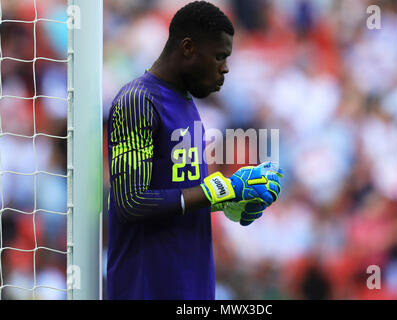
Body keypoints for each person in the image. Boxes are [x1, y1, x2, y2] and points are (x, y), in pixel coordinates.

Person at [106, 1, 282, 300]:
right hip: (147, 288)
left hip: (192, 285)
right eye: (219, 57)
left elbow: (175, 192)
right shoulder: (137, 101)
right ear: (188, 48)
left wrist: (231, 200)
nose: (225, 68)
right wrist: (220, 190)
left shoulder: (186, 102)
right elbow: (131, 201)